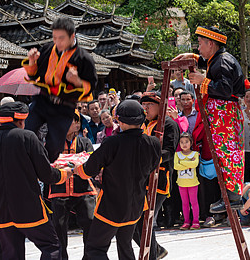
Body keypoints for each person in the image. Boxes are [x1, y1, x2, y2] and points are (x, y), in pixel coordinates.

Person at [0, 101, 72, 260]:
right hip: (27, 207)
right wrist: (64, 174)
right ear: (21, 120)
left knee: (11, 253)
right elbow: (46, 174)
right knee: (51, 246)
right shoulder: (27, 136)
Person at [74, 99, 161, 260]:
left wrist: (75, 169)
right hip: (135, 206)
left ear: (119, 120)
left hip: (111, 207)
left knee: (95, 249)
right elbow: (154, 167)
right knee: (125, 245)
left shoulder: (112, 142)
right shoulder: (153, 142)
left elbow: (89, 170)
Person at [174, 26, 246, 212]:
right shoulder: (218, 59)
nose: (198, 48)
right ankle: (230, 196)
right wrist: (193, 58)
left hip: (225, 113)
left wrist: (202, 81)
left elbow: (224, 89)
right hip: (223, 113)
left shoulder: (222, 62)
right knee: (223, 154)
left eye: (199, 44)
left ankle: (233, 197)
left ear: (211, 43)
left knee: (227, 153)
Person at [23, 16, 98, 161]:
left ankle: (44, 169)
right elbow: (34, 77)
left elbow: (91, 87)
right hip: (42, 101)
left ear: (72, 36)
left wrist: (77, 80)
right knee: (25, 134)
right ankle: (26, 163)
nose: (57, 42)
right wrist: (32, 63)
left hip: (64, 106)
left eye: (61, 38)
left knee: (54, 146)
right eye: (55, 37)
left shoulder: (84, 58)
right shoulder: (47, 49)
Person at [133, 92, 178, 259]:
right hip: (140, 179)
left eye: (149, 105)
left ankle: (151, 255)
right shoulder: (140, 124)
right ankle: (156, 250)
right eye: (143, 105)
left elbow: (169, 151)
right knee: (134, 222)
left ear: (160, 106)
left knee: (147, 220)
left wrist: (148, 158)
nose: (145, 108)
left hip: (160, 179)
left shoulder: (169, 124)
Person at [50, 112, 96, 260]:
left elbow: (90, 161)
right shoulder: (52, 142)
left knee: (90, 221)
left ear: (77, 125)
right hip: (59, 189)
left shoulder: (85, 142)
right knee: (59, 227)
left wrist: (70, 163)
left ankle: (89, 256)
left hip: (83, 188)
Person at [174, 132, 200, 230]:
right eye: (182, 142)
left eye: (186, 142)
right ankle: (186, 221)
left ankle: (196, 221)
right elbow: (176, 166)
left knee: (194, 202)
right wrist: (189, 162)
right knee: (184, 203)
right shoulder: (177, 155)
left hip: (193, 183)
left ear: (191, 142)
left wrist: (182, 163)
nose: (184, 144)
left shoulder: (195, 154)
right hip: (181, 183)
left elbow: (195, 164)